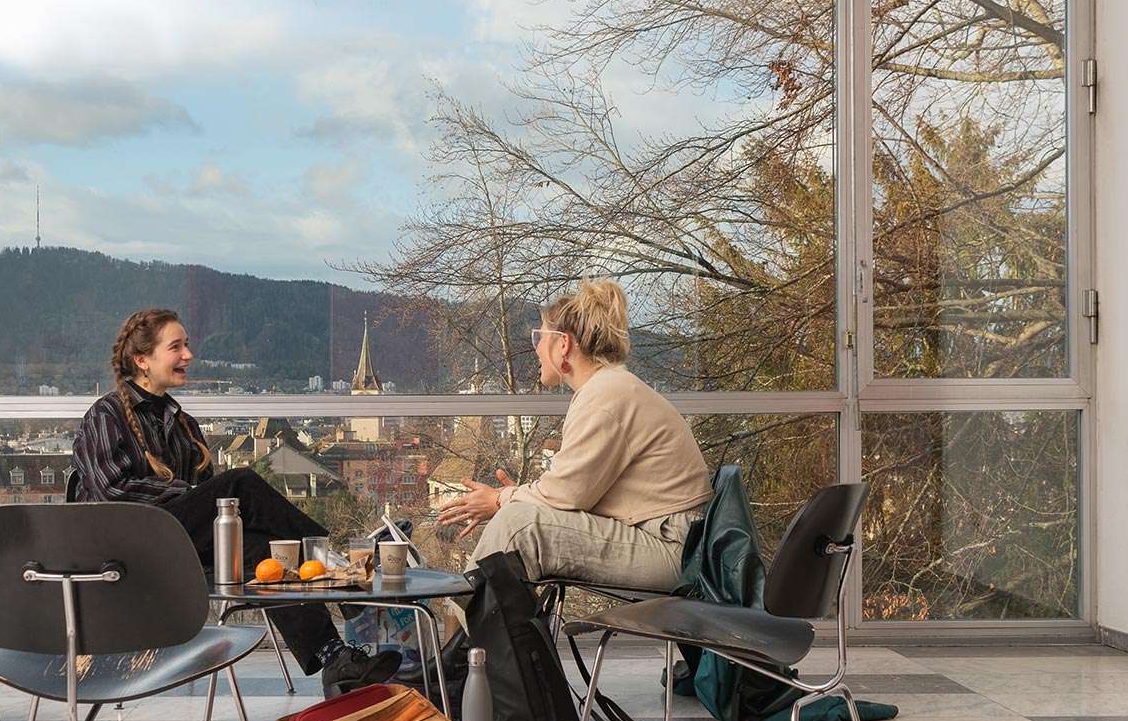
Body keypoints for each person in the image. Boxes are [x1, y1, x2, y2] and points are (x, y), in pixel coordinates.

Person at [72, 308, 400, 696]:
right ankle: (339, 568)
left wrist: (202, 500)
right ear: (142, 361)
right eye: (176, 347)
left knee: (270, 555)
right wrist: (193, 496)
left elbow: (215, 514)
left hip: (180, 551)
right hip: (129, 553)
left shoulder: (183, 425)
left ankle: (334, 658)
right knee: (238, 483)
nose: (188, 355)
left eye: (187, 345)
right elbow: (114, 494)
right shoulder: (106, 415)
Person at [438, 278, 712, 590]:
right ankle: (485, 631)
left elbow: (567, 494)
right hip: (668, 540)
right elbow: (572, 491)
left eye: (539, 337)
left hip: (674, 551)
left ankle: (463, 627)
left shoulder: (605, 395)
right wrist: (518, 500)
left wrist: (503, 500)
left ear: (563, 344)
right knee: (519, 519)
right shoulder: (609, 388)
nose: (537, 349)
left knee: (520, 526)